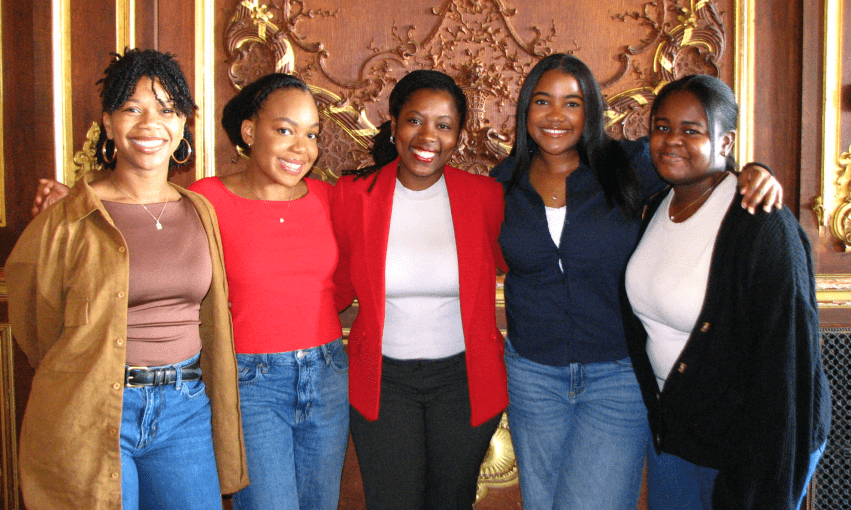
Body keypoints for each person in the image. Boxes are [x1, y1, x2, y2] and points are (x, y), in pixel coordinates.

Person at [488, 53, 783, 510]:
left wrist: (754, 170)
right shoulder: (503, 183)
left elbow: (698, 160)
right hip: (532, 374)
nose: (555, 115)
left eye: (572, 103)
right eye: (542, 101)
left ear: (590, 111)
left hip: (616, 375)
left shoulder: (628, 163)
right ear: (526, 109)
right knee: (542, 503)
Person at [7, 49, 248, 510]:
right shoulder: (69, 218)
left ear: (183, 125)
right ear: (108, 122)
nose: (149, 123)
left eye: (167, 110)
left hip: (185, 410)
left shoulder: (199, 211)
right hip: (93, 413)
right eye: (132, 109)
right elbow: (36, 325)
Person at [622, 74, 830, 510]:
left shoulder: (759, 220)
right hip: (676, 433)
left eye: (691, 130)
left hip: (750, 445)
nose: (672, 140)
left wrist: (762, 476)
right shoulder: (656, 203)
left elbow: (787, 363)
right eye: (662, 127)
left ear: (725, 141)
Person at [332, 70, 508, 510]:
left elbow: (517, 263)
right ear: (393, 125)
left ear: (458, 137)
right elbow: (333, 287)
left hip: (463, 381)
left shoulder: (485, 196)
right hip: (384, 382)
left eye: (443, 125)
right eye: (414, 120)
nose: (428, 136)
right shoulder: (353, 195)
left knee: (452, 501)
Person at [188, 73, 349, 510]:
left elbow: (345, 284)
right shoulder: (206, 199)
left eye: (312, 134)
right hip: (251, 384)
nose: (302, 148)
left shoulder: (328, 197)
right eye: (285, 130)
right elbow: (147, 226)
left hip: (328, 373)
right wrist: (79, 202)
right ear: (249, 132)